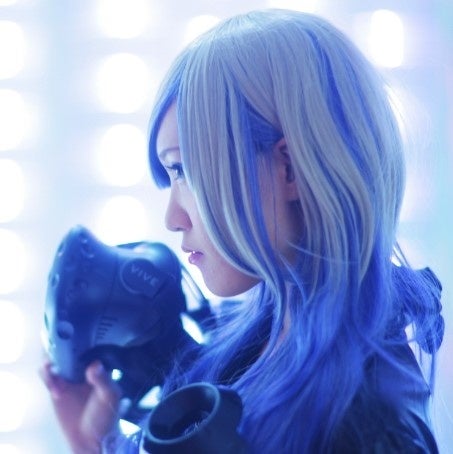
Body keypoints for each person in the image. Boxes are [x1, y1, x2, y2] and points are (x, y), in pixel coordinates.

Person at [41, 9, 444, 453]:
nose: (173, 218)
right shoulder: (251, 354)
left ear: (289, 169)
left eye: (184, 171)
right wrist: (93, 444)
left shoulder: (369, 428)